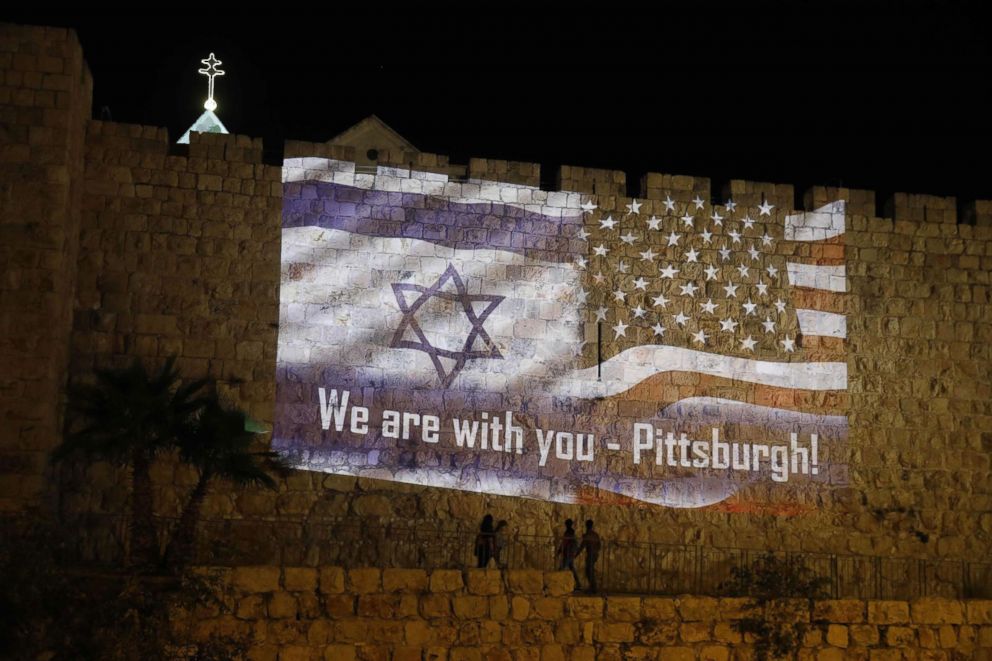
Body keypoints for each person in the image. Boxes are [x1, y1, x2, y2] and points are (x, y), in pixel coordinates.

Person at [577, 519, 602, 593]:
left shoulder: (588, 535)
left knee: (589, 571)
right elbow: (599, 545)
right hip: (595, 554)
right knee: (590, 570)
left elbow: (582, 546)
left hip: (591, 554)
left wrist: (576, 554)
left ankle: (593, 588)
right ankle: (593, 587)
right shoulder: (595, 534)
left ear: (586, 526)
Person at [555, 519, 580, 588]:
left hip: (568, 553)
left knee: (562, 568)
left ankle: (557, 583)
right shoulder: (572, 533)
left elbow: (564, 542)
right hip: (571, 553)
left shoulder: (568, 533)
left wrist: (559, 551)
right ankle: (578, 583)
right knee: (572, 568)